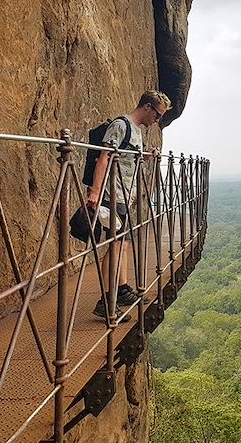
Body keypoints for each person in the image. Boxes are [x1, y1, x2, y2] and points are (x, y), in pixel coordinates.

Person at [88, 90, 171, 318]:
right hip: (111, 195)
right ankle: (106, 301)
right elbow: (105, 156)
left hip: (125, 196)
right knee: (115, 245)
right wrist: (95, 192)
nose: (157, 120)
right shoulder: (120, 125)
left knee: (123, 244)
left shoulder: (135, 131)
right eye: (157, 114)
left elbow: (125, 156)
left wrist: (145, 155)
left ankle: (122, 289)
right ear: (147, 107)